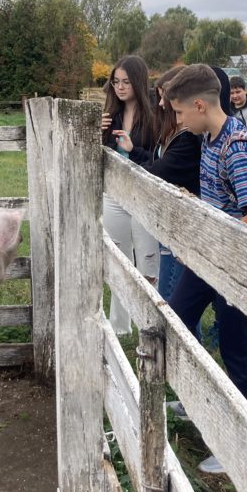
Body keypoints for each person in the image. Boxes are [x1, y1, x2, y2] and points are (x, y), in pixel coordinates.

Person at [163, 64, 247, 473]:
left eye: (180, 113)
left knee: (239, 349)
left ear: (199, 105)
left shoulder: (237, 146)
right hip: (207, 258)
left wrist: (218, 239)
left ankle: (243, 441)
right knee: (179, 315)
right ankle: (198, 396)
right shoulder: (208, 139)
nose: (178, 122)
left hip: (233, 265)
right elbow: (217, 200)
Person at [115, 67, 201, 303]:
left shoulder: (187, 139)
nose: (161, 103)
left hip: (179, 225)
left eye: (165, 96)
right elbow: (156, 162)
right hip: (169, 222)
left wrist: (126, 172)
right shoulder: (173, 135)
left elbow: (159, 172)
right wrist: (134, 152)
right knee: (176, 301)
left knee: (173, 301)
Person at [101, 55, 160, 335]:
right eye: (116, 82)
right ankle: (120, 327)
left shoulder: (155, 116)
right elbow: (101, 156)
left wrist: (133, 147)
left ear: (138, 81)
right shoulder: (109, 114)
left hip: (144, 194)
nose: (120, 87)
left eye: (125, 82)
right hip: (114, 193)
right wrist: (97, 134)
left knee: (148, 257)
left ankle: (149, 322)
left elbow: (157, 160)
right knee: (120, 258)